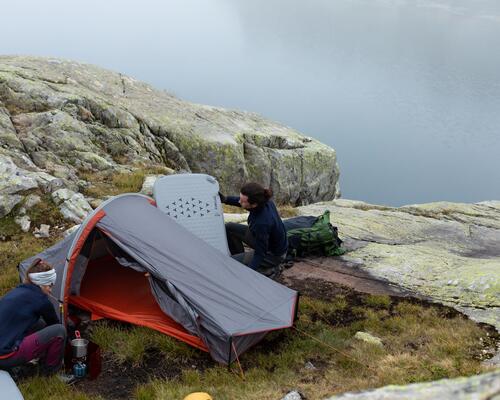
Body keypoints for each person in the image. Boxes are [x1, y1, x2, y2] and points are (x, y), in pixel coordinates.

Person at [0, 258, 67, 376]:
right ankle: (50, 372)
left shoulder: (18, 291)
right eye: (49, 286)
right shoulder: (41, 300)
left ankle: (39, 357)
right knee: (59, 331)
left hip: (3, 345)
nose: (50, 291)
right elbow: (55, 324)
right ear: (41, 283)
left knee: (39, 324)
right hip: (5, 356)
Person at [221, 182, 288, 277]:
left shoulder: (262, 223)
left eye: (242, 201)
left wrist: (249, 273)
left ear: (254, 204)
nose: (239, 201)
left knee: (232, 264)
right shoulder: (264, 201)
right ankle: (241, 258)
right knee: (229, 227)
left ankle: (273, 269)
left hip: (273, 254)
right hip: (265, 241)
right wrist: (225, 199)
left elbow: (260, 253)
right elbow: (242, 202)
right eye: (240, 198)